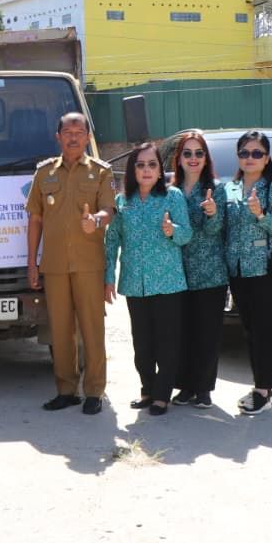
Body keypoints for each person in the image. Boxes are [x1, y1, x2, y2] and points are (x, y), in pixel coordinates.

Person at [24, 112, 115, 415]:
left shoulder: (101, 172)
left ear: (88, 137)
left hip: (89, 264)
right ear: (58, 137)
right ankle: (66, 390)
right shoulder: (44, 173)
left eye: (79, 131)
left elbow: (108, 210)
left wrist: (96, 222)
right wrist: (32, 262)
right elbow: (35, 219)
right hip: (55, 264)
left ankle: (94, 392)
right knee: (60, 331)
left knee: (92, 329)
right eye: (67, 132)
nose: (73, 137)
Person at [105, 142, 192, 415]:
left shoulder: (173, 196)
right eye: (140, 165)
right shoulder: (122, 201)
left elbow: (186, 234)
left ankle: (161, 395)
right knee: (142, 343)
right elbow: (112, 241)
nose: (146, 170)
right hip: (134, 283)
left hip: (167, 283)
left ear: (159, 169)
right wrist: (108, 277)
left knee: (167, 341)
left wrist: (172, 230)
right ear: (132, 170)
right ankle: (147, 389)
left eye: (152, 164)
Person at [224, 131, 272, 415]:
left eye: (256, 153)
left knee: (264, 331)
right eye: (244, 153)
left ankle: (264, 389)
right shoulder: (230, 189)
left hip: (265, 271)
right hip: (238, 270)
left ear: (266, 158)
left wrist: (260, 214)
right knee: (250, 330)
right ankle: (259, 386)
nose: (249, 158)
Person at [171, 129, 226, 409]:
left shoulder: (216, 189)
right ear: (179, 158)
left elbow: (216, 230)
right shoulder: (171, 191)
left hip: (211, 273)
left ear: (206, 158)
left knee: (207, 333)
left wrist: (213, 213)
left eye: (199, 153)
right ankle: (185, 387)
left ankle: (203, 389)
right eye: (188, 153)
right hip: (178, 274)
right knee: (183, 333)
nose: (193, 158)